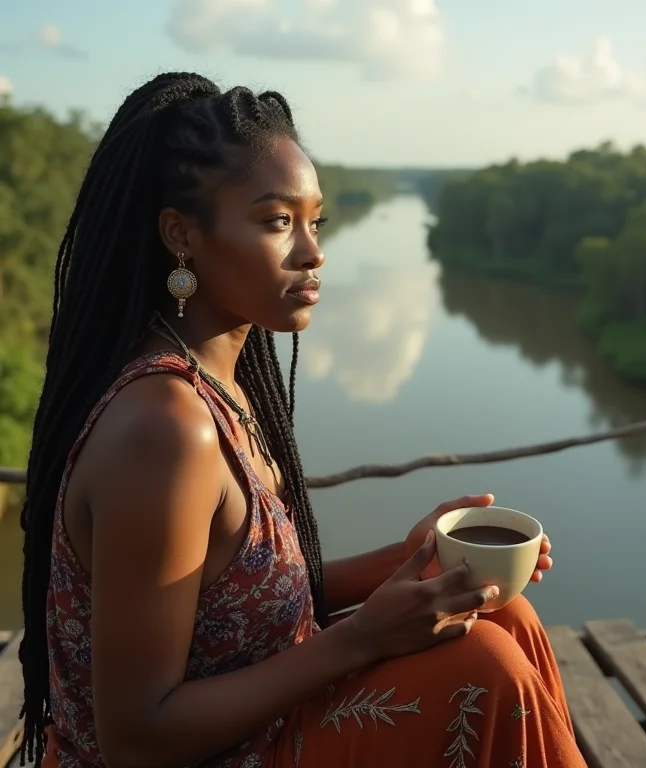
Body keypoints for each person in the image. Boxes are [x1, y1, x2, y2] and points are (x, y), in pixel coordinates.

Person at [18, 72, 586, 768]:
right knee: (486, 665)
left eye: (315, 222)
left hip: (251, 727)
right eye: (276, 221)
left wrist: (410, 566)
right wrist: (362, 638)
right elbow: (135, 736)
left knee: (504, 614)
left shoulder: (217, 386)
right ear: (181, 235)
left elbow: (244, 600)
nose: (313, 252)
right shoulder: (163, 428)